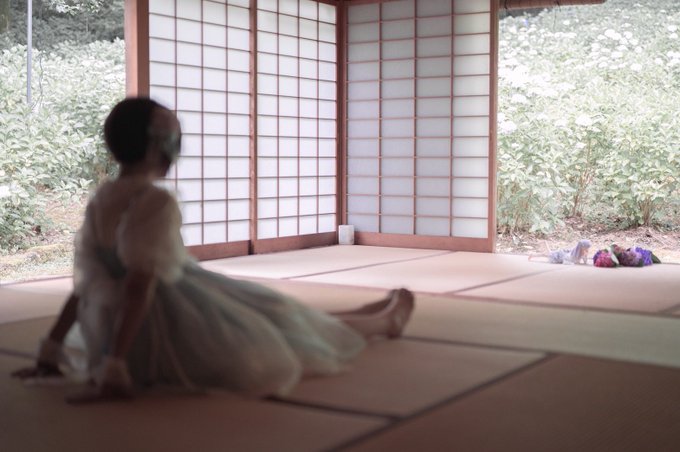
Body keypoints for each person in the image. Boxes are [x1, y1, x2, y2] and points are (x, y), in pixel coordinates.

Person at [12, 97, 415, 403]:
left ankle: (371, 312)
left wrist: (52, 349)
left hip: (111, 330)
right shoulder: (154, 201)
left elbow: (87, 284)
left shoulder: (103, 196)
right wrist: (115, 367)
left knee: (280, 316)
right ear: (158, 147)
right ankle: (384, 321)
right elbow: (139, 283)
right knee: (283, 324)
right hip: (165, 320)